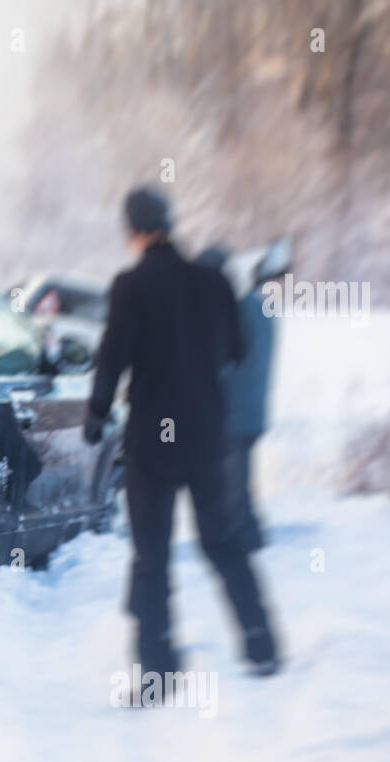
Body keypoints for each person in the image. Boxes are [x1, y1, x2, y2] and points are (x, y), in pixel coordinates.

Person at [84, 186, 279, 679]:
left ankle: (158, 669)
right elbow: (235, 351)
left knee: (152, 558)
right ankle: (262, 646)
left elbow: (111, 360)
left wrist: (96, 414)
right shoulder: (212, 283)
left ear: (133, 231)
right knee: (223, 542)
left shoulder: (130, 286)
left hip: (153, 441)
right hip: (207, 438)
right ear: (169, 224)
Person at [221, 240, 287, 553]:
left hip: (235, 414)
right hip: (252, 412)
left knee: (234, 484)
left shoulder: (244, 309)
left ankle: (247, 539)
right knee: (238, 481)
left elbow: (227, 363)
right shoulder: (266, 310)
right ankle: (246, 536)